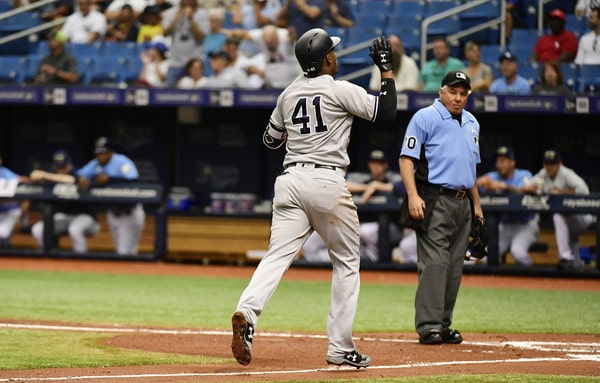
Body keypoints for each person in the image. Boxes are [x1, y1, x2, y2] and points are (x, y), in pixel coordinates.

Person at [231, 29, 397, 368]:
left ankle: (247, 312)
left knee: (277, 256)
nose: (335, 55)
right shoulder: (339, 89)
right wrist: (387, 72)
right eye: (332, 52)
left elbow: (269, 140)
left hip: (290, 179)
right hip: (326, 179)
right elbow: (387, 113)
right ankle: (339, 348)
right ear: (327, 59)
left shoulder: (288, 93)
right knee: (347, 262)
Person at [399, 70, 483, 345]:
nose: (458, 98)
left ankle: (444, 324)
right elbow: (406, 159)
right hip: (435, 199)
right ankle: (428, 326)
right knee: (436, 263)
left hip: (463, 203)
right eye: (453, 91)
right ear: (441, 91)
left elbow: (471, 169)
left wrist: (478, 207)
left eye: (463, 93)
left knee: (455, 265)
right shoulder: (424, 117)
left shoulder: (472, 122)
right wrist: (412, 195)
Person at [302, 150, 407, 263]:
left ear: (385, 165)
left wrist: (377, 186)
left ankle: (373, 257)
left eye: (379, 163)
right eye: (373, 163)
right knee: (310, 245)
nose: (376, 167)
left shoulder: (392, 179)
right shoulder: (363, 181)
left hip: (391, 228)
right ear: (369, 164)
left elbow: (404, 187)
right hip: (359, 228)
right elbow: (343, 185)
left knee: (365, 231)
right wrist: (368, 188)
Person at [525, 150, 594, 270]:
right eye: (547, 163)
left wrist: (561, 193)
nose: (550, 166)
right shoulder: (543, 174)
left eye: (553, 163)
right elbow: (527, 186)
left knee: (558, 216)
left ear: (559, 164)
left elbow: (584, 192)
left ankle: (565, 258)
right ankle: (575, 267)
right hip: (568, 219)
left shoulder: (567, 174)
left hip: (581, 216)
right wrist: (531, 189)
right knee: (573, 248)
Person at [76, 137, 145, 255]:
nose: (100, 156)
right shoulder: (95, 164)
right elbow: (78, 174)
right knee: (122, 252)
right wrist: (80, 178)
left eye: (103, 153)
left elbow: (133, 180)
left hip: (129, 213)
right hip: (113, 213)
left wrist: (110, 179)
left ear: (111, 152)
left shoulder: (121, 161)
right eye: (98, 153)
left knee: (125, 253)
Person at [476, 146, 539, 266]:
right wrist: (482, 183)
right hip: (504, 226)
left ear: (512, 163)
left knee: (518, 252)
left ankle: (535, 282)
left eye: (503, 161)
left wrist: (506, 187)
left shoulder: (524, 175)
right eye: (498, 161)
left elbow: (532, 189)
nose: (499, 164)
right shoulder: (493, 176)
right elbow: (477, 182)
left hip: (525, 224)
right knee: (486, 256)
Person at [29, 150, 100, 254]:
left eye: (63, 167)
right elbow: (34, 175)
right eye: (58, 167)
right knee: (38, 229)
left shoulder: (77, 173)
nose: (61, 170)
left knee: (75, 230)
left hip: (85, 216)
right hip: (63, 216)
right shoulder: (52, 172)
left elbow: (71, 179)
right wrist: (37, 176)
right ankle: (48, 259)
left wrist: (45, 175)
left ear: (69, 164)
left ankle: (81, 260)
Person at [162, 0, 210, 87]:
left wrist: (191, 19)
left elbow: (201, 37)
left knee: (198, 96)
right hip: (176, 62)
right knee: (170, 94)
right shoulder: (172, 12)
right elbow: (165, 33)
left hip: (194, 63)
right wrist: (176, 18)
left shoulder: (202, 14)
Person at [0, 152, 27, 248]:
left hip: (11, 211)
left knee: (2, 233)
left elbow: (28, 195)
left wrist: (21, 219)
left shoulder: (10, 176)